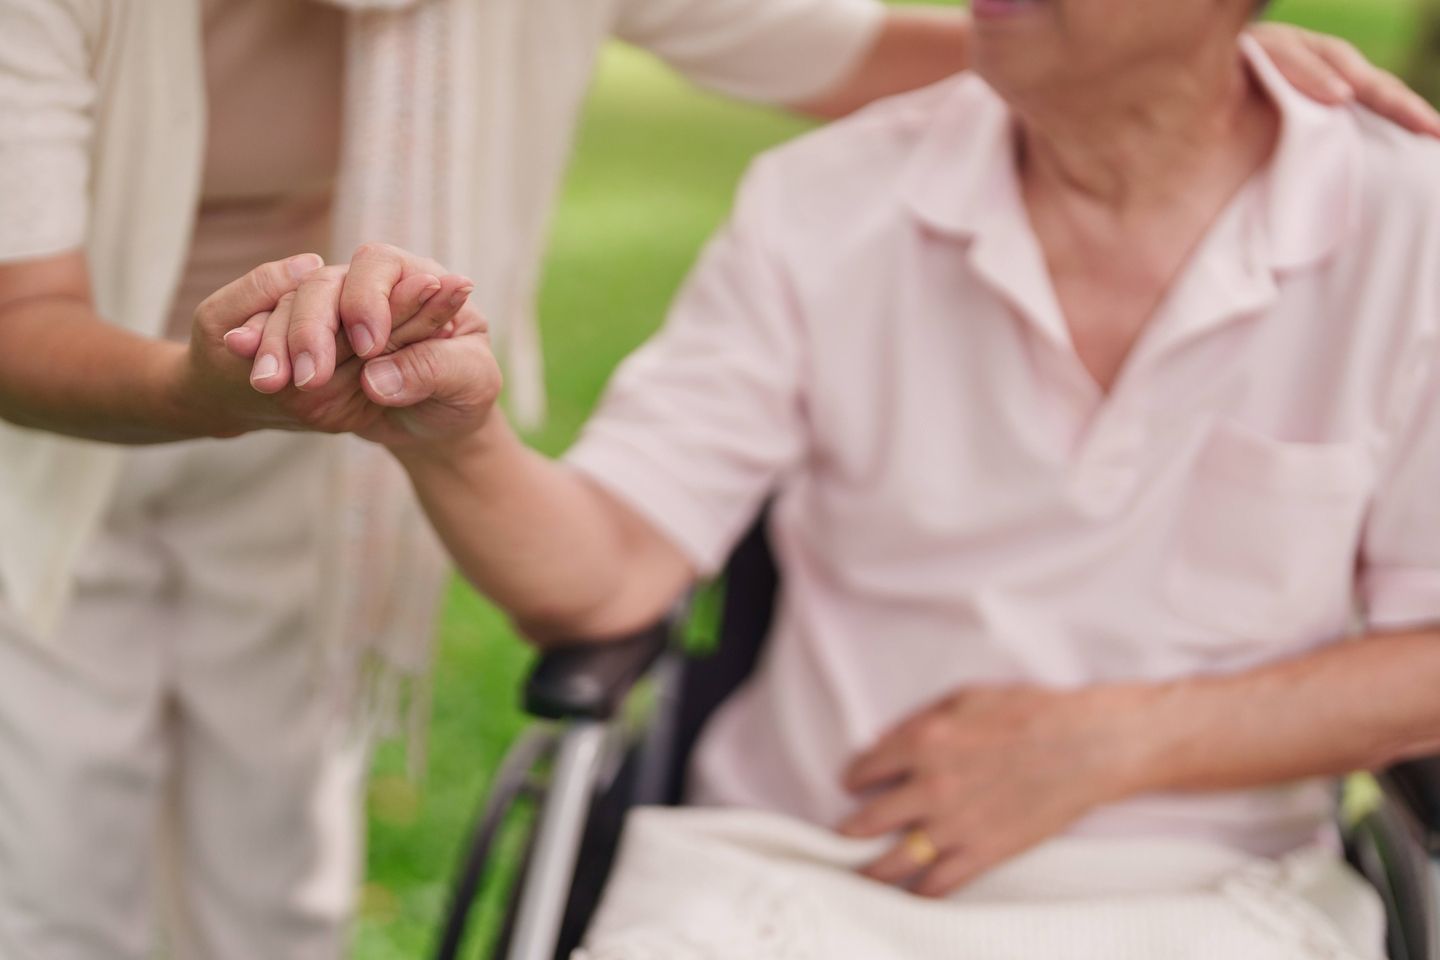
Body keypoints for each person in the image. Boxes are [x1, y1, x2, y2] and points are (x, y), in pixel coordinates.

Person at [0, 3, 1432, 960]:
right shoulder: (829, 208)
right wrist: (454, 437)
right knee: (43, 872)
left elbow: (850, 37)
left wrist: (1120, 743)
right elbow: (612, 569)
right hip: (781, 885)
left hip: (1197, 907)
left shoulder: (1406, 230)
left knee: (264, 870)